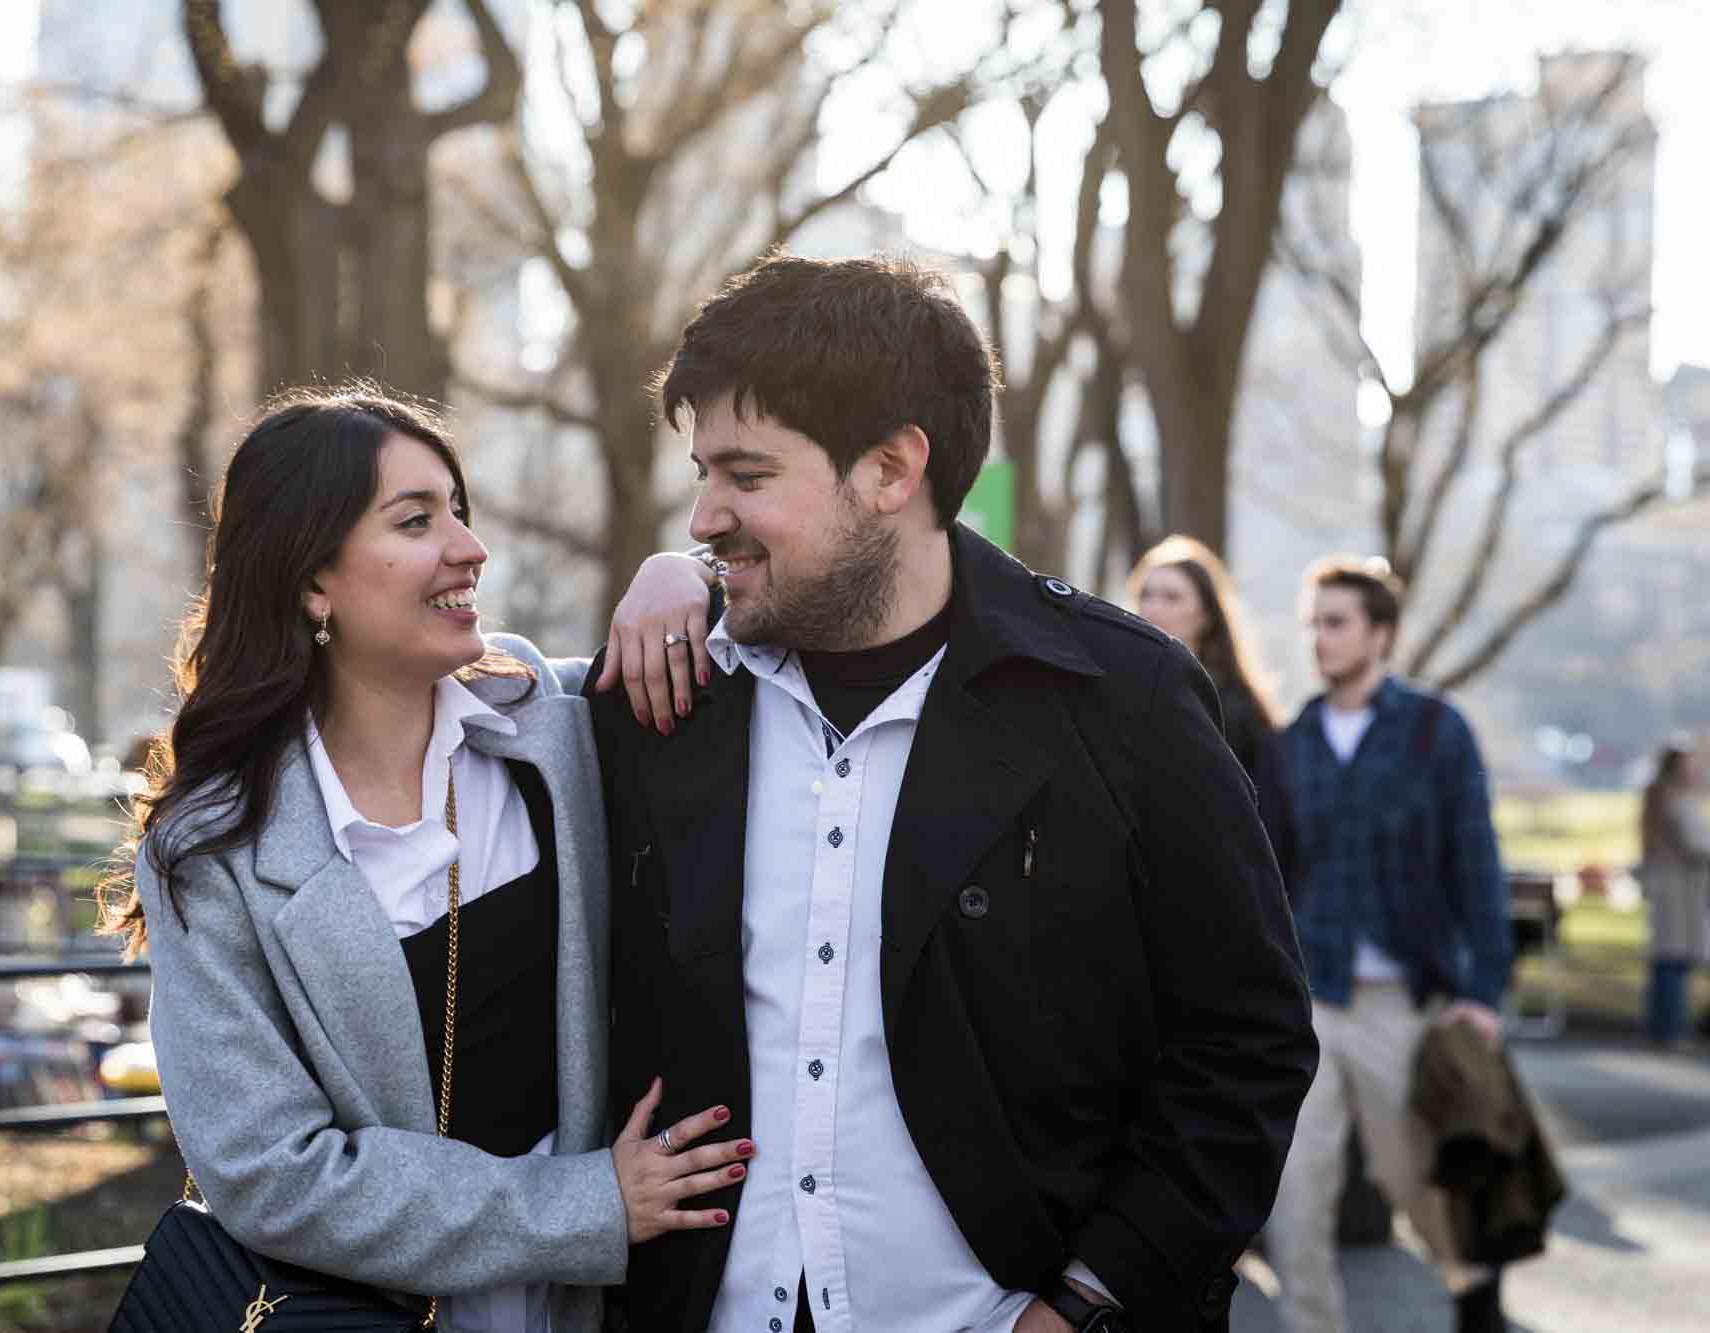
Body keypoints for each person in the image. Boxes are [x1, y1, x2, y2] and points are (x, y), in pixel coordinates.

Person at [585, 255, 1318, 1333]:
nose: (700, 516)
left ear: (889, 468)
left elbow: (1244, 1043)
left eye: (743, 475)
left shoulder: (1122, 698)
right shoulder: (672, 694)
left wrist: (1086, 1303)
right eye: (700, 475)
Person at [98, 387, 742, 1333]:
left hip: (585, 1308)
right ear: (312, 579)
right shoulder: (212, 848)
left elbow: (682, 651)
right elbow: (268, 1173)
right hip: (357, 1315)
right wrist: (583, 1206)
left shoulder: (541, 726)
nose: (468, 547)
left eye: (458, 511)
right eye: (415, 519)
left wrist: (679, 574)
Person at [1265, 556, 1514, 1333]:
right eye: (1313, 624)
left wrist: (1483, 988)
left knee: (1415, 1180)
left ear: (1382, 633)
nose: (1321, 639)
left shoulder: (1437, 731)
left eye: (1336, 623)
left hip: (1405, 999)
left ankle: (1475, 1290)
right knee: (1295, 1191)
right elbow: (1274, 871)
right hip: (1313, 997)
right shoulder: (1294, 740)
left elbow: (1476, 861)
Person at [1124, 534, 1279, 784]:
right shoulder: (1116, 694)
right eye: (1146, 595)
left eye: (1171, 597)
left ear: (1206, 615)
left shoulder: (1239, 713)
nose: (1153, 608)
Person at [1641, 736, 1710, 1049]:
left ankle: (1662, 1029)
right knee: (1673, 964)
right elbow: (1696, 844)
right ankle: (1669, 1031)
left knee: (1665, 963)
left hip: (1667, 889)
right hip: (1678, 891)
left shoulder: (1657, 799)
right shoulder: (1676, 801)